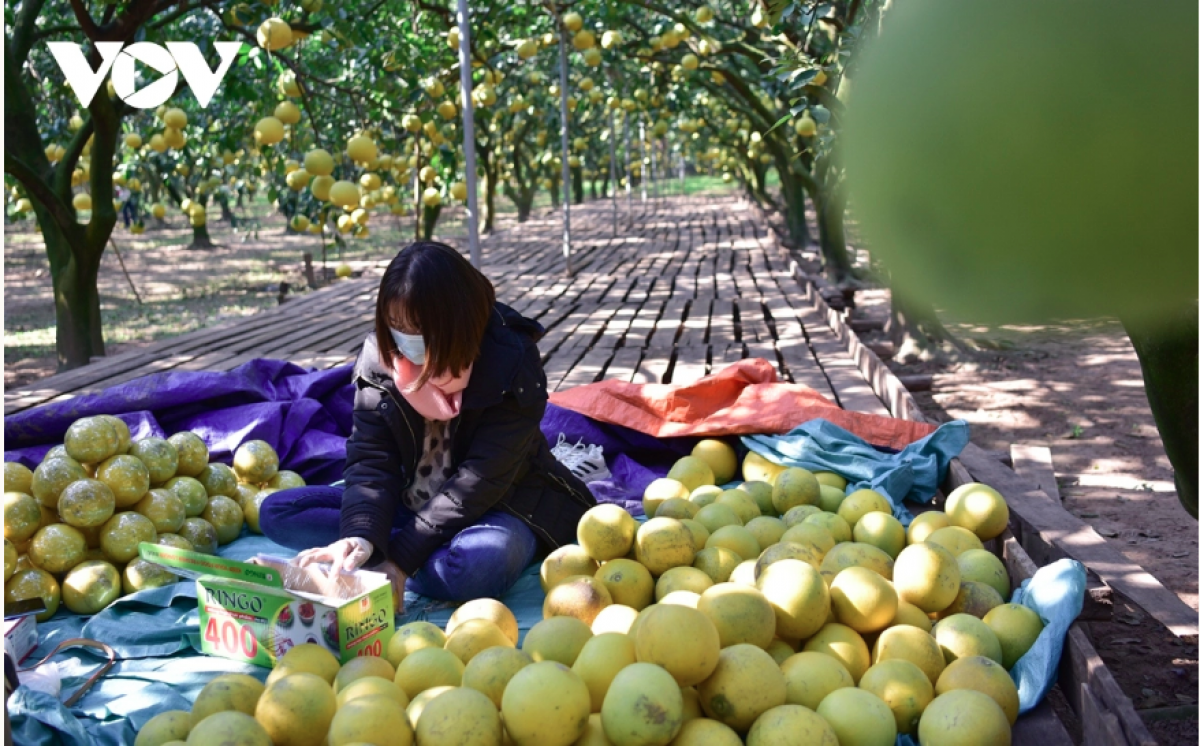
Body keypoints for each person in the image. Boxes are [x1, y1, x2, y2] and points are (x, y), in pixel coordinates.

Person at [259, 241, 596, 607]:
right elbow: (371, 462)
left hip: (499, 506)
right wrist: (358, 536)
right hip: (410, 502)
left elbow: (481, 479)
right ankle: (387, 551)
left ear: (456, 319)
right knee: (277, 512)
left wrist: (402, 560)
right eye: (396, 324)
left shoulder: (511, 361)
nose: (405, 338)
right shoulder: (381, 360)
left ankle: (395, 558)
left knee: (476, 566)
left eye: (418, 327)